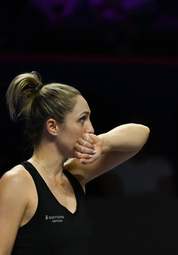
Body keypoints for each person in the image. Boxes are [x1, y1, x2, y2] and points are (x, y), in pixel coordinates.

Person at [0, 71, 150, 254]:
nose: (91, 128)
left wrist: (103, 143)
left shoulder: (76, 174)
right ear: (53, 127)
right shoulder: (17, 182)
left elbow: (141, 134)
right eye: (82, 119)